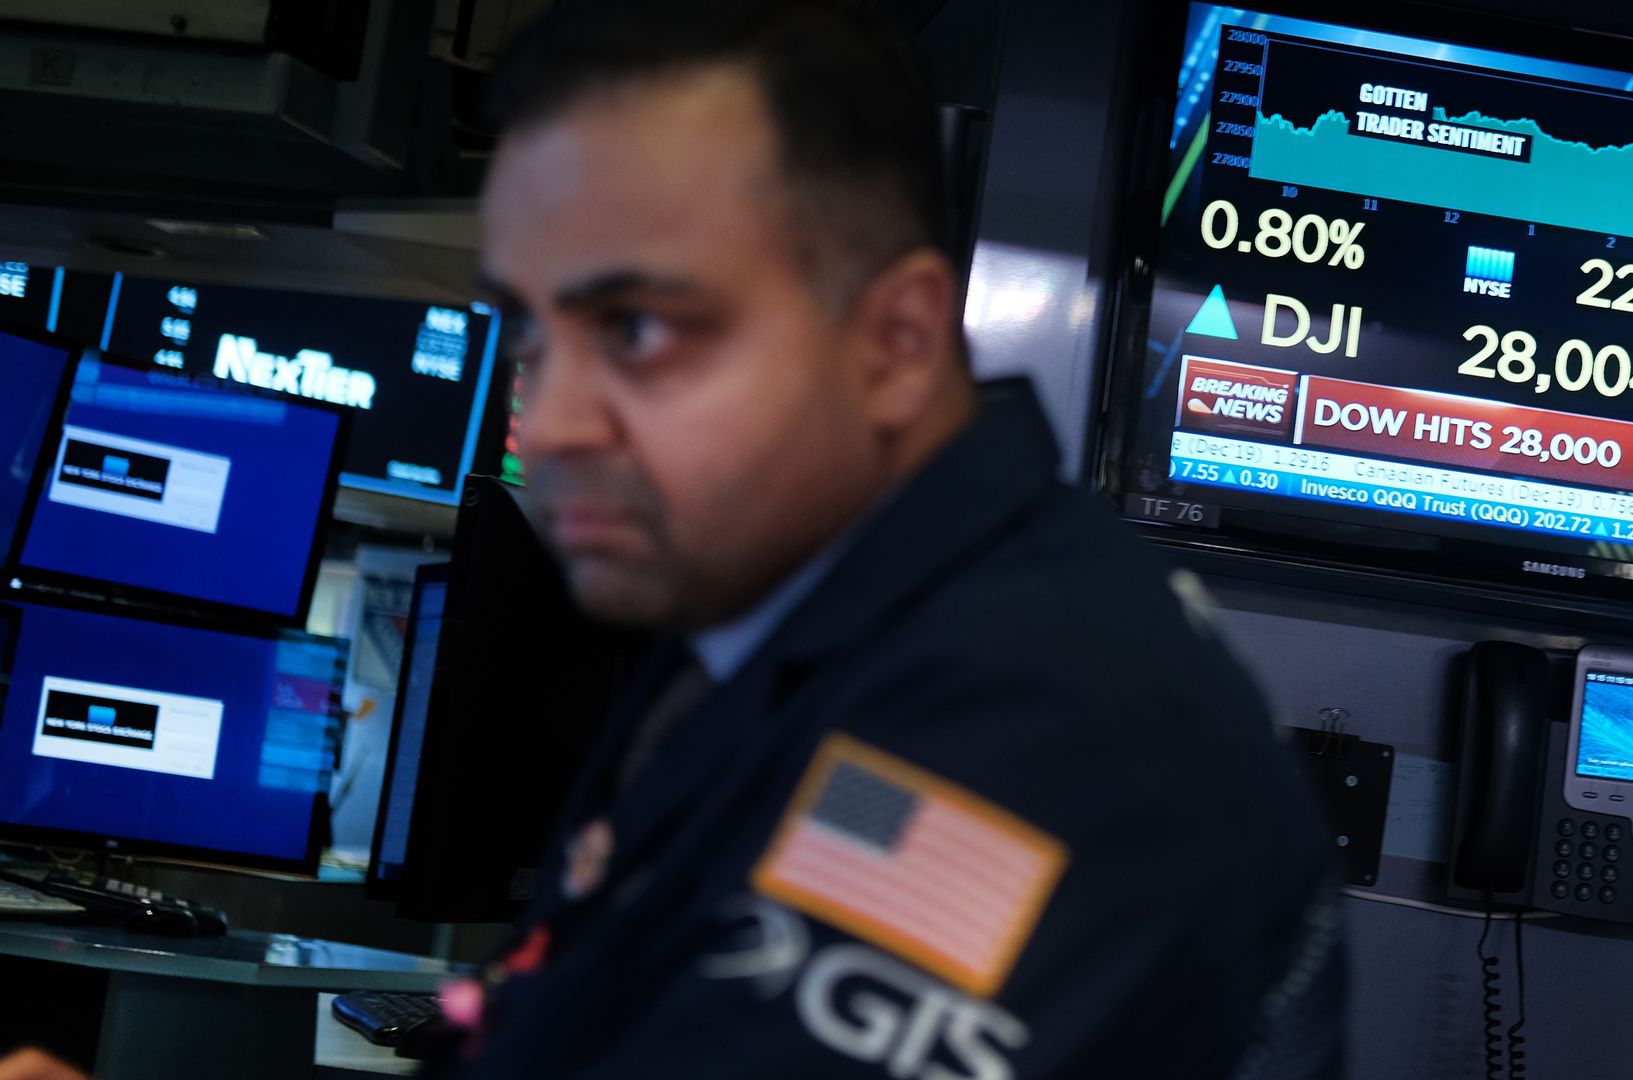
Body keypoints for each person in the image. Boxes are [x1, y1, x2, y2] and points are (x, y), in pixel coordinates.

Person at [0, 3, 1339, 1078]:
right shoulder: (810, 654)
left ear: (895, 339)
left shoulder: (1041, 725)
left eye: (638, 328)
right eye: (534, 330)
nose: (556, 418)